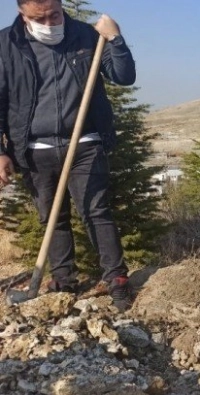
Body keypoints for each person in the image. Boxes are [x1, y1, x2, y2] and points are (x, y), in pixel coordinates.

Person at [0, 0, 137, 311]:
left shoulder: (86, 36)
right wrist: (1, 152)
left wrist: (115, 39)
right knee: (52, 218)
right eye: (40, 18)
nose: (50, 23)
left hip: (85, 144)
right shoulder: (6, 45)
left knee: (96, 210)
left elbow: (123, 75)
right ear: (23, 13)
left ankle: (117, 280)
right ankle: (64, 280)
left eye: (55, 15)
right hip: (35, 149)